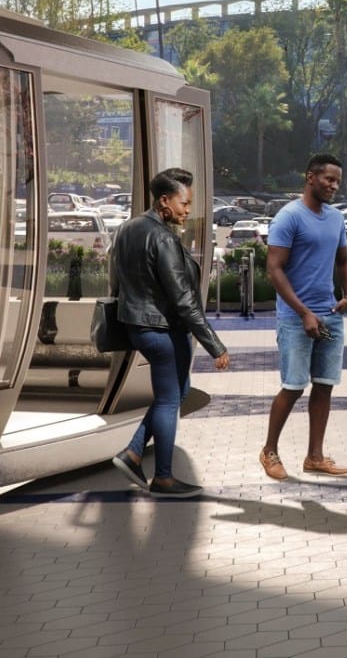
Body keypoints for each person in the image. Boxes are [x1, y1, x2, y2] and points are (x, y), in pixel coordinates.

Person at [108, 168, 231, 497]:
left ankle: (133, 453)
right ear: (164, 201)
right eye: (184, 203)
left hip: (137, 325)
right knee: (167, 400)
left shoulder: (128, 228)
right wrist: (215, 346)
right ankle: (163, 478)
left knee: (178, 390)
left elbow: (115, 279)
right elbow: (184, 301)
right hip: (161, 329)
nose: (187, 210)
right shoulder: (162, 238)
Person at [260, 154, 347, 481]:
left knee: (325, 385)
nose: (334, 186)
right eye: (329, 179)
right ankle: (269, 451)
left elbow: (344, 260)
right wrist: (303, 312)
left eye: (337, 181)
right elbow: (274, 269)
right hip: (295, 318)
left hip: (330, 315)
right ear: (310, 177)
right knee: (293, 385)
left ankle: (315, 457)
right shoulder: (289, 217)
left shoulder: (336, 219)